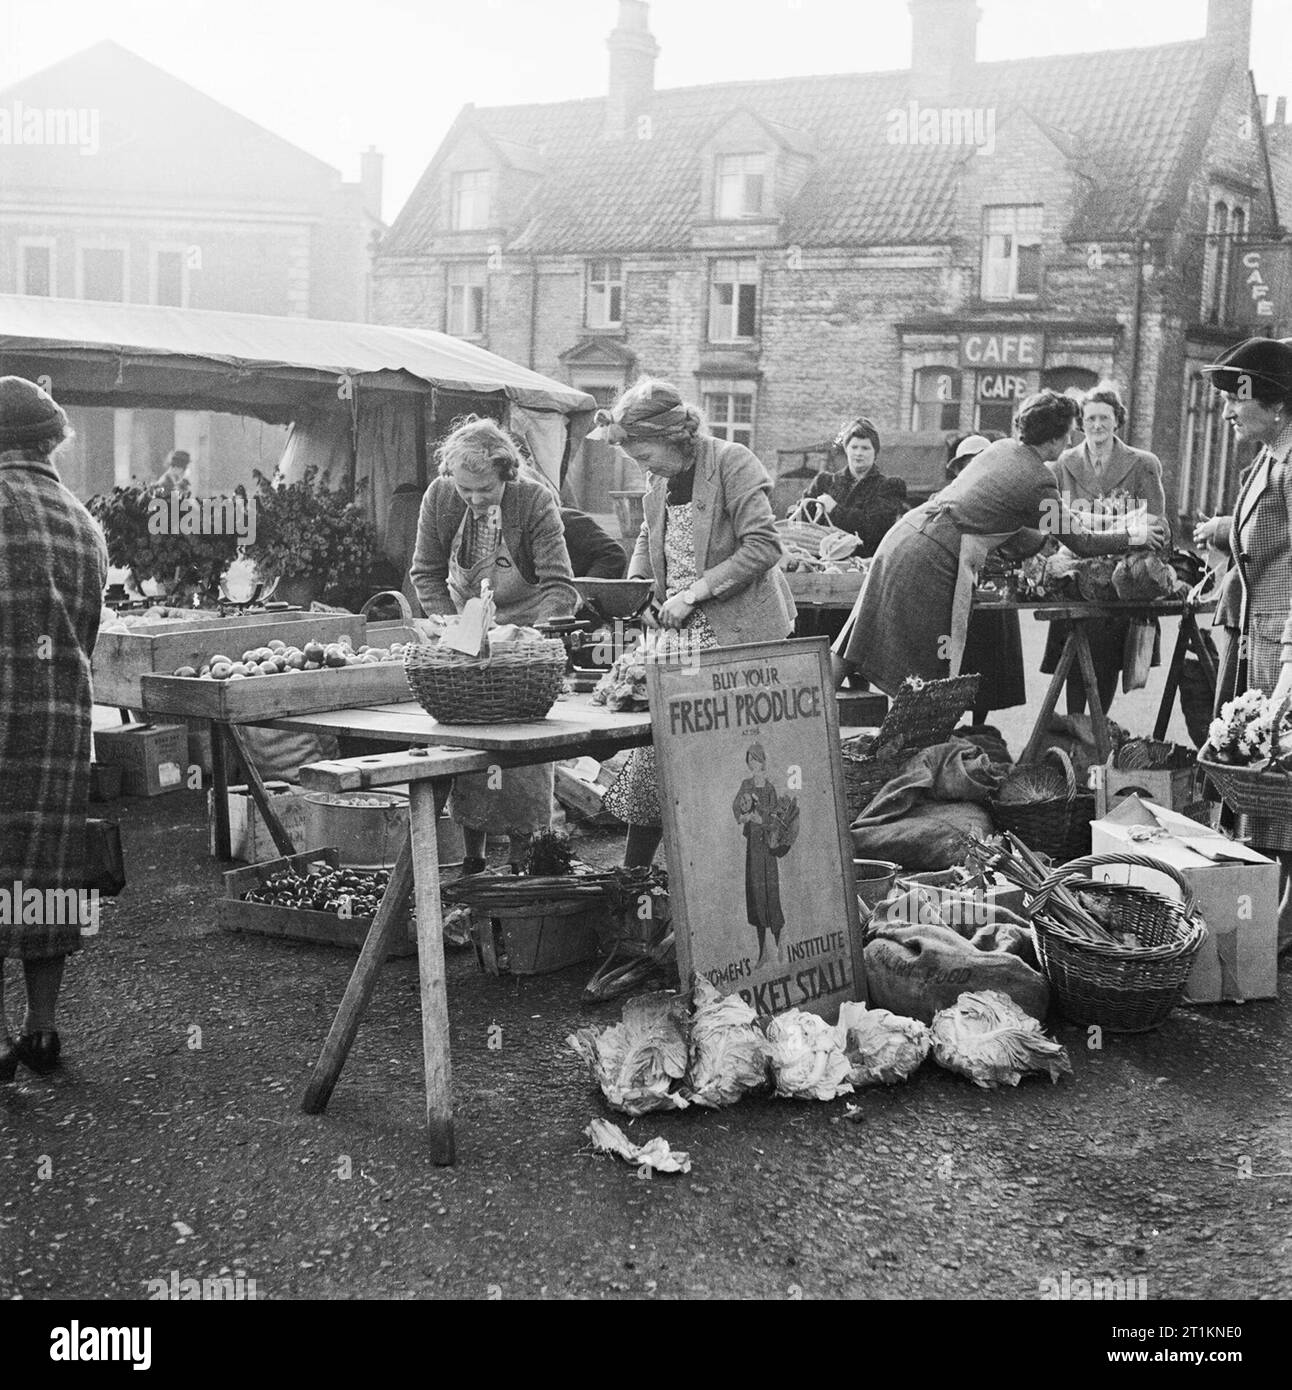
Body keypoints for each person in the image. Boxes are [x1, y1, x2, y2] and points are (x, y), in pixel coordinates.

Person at [833, 391, 1169, 694]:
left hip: (904, 538)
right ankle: (914, 747)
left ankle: (819, 717)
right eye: (1069, 432)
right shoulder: (1038, 480)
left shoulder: (1003, 449)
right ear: (1053, 440)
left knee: (856, 637)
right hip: (932, 557)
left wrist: (1122, 521)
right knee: (931, 662)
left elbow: (1057, 522)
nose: (1072, 438)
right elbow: (1080, 541)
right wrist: (1133, 535)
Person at [596, 379, 797, 867]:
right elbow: (649, 533)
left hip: (740, 634)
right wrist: (639, 583)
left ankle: (731, 876)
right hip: (679, 637)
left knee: (734, 763)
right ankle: (634, 878)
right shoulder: (659, 477)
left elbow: (763, 547)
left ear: (672, 437)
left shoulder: (731, 461)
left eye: (645, 456)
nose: (644, 468)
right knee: (652, 758)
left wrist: (693, 592)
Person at [409, 418, 579, 874]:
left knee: (521, 756)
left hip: (520, 639)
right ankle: (473, 860)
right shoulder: (441, 497)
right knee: (469, 752)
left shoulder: (535, 501)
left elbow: (560, 587)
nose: (475, 499)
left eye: (484, 489)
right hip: (466, 632)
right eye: (466, 490)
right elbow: (425, 571)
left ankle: (523, 859)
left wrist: (528, 641)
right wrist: (449, 621)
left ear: (508, 474)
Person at [1, 377, 109, 1080]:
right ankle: (42, 1031)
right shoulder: (81, 521)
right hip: (59, 721)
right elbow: (90, 631)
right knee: (46, 877)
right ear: (51, 440)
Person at [1193, 336, 1292, 955]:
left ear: (1277, 404)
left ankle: (1280, 923)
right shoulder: (1270, 456)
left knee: (1281, 781)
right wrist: (1227, 535)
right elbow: (1268, 530)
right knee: (1265, 784)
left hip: (1283, 644)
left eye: (1239, 395)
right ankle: (1268, 917)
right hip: (1258, 639)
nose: (1229, 407)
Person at [1041, 383, 1169, 715]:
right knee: (1072, 659)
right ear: (1081, 423)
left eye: (1104, 418)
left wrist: (1102, 529)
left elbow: (1156, 524)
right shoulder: (1061, 464)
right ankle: (1074, 730)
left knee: (1107, 662)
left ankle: (1097, 731)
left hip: (1118, 580)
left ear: (1117, 421)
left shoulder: (1143, 464)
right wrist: (1125, 527)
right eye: (1090, 418)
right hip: (1073, 575)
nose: (1097, 425)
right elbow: (1050, 523)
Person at [945, 433, 1027, 722]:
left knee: (989, 668)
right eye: (966, 464)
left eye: (979, 461)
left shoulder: (1007, 500)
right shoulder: (947, 498)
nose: (973, 468)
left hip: (994, 590)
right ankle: (949, 726)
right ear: (957, 469)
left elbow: (1024, 539)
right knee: (953, 664)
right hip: (956, 592)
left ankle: (979, 726)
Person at [801, 416, 907, 557]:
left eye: (865, 448)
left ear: (875, 452)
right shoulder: (823, 482)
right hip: (820, 565)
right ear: (846, 449)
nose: (858, 453)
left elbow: (875, 529)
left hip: (863, 567)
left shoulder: (889, 486)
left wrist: (834, 509)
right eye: (854, 447)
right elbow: (796, 517)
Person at [732, 743, 785, 966]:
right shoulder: (745, 785)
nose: (754, 764)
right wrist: (744, 817)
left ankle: (781, 948)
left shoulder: (770, 788)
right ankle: (763, 953)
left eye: (757, 760)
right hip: (753, 848)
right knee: (755, 897)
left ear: (763, 761)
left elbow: (776, 819)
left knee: (770, 896)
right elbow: (737, 807)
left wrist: (760, 819)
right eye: (750, 760)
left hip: (767, 849)